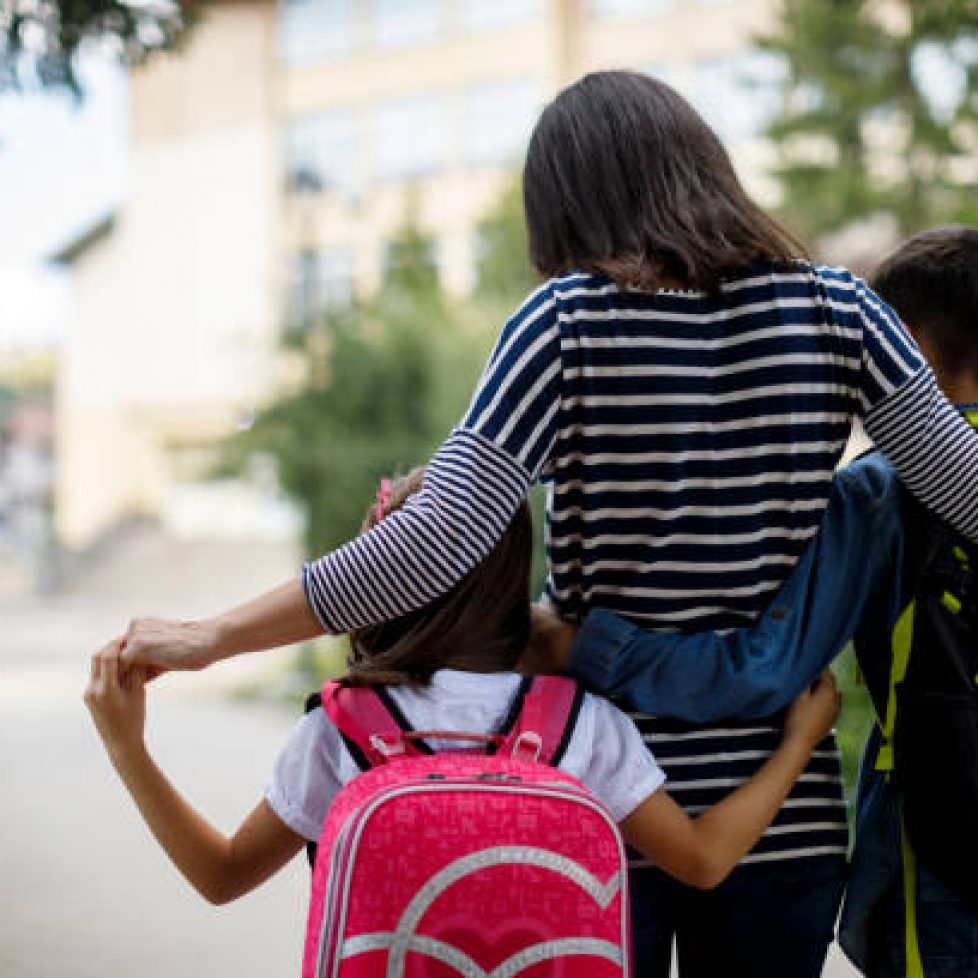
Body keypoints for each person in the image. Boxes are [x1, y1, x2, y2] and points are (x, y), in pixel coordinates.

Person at [117, 73, 978, 975]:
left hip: (594, 800)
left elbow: (431, 543)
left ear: (566, 204)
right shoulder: (843, 312)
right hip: (782, 814)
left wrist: (213, 634)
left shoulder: (565, 324)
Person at [84, 470, 841, 923]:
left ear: (373, 586)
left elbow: (220, 877)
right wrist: (798, 745)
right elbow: (704, 862)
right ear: (516, 584)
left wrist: (127, 747)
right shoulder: (580, 726)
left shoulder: (342, 731)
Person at [530, 225, 978, 976]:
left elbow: (761, 669)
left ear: (902, 344)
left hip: (942, 850)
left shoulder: (885, 495)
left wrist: (581, 646)